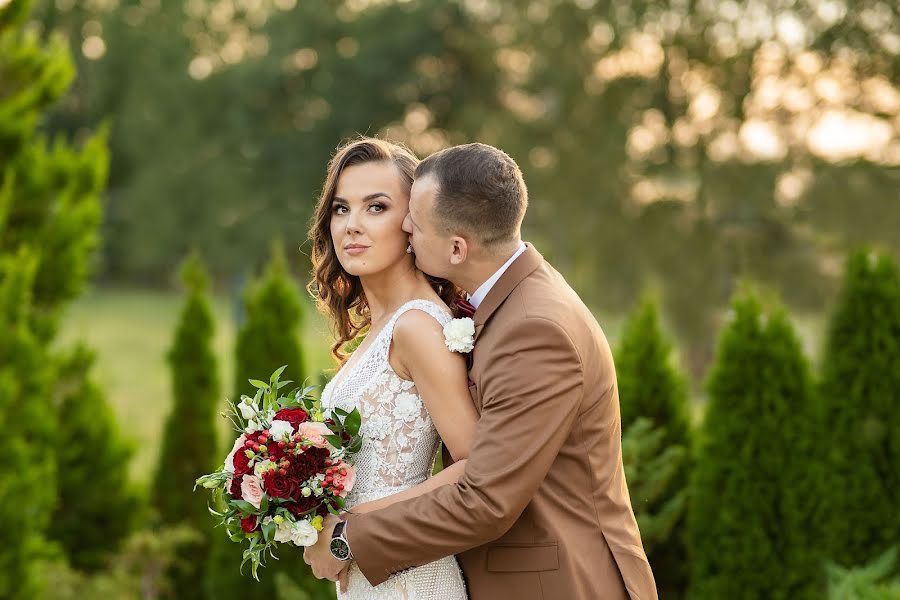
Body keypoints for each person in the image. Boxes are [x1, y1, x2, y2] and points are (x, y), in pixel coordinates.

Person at [304, 142, 658, 600]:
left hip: (558, 584)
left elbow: (486, 495)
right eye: (341, 207)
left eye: (388, 210)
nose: (407, 227)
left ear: (456, 246)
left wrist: (346, 537)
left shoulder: (534, 327)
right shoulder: (496, 309)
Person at [305, 136, 477, 599]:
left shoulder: (418, 326)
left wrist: (346, 534)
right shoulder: (381, 328)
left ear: (412, 223)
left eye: (375, 208)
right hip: (368, 579)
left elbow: (476, 465)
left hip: (412, 580)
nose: (351, 226)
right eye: (341, 208)